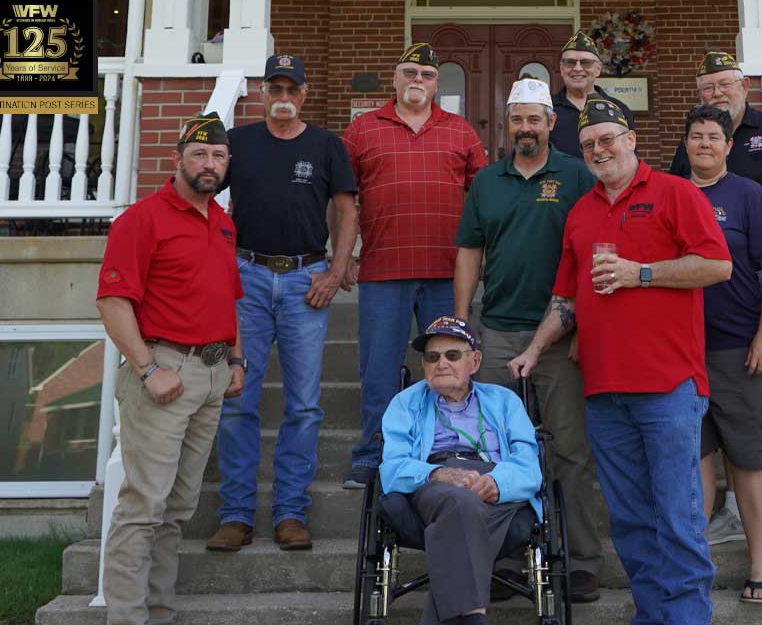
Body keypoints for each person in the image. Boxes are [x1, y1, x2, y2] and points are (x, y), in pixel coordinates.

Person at [510, 96, 732, 624]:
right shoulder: (582, 212)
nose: (597, 149)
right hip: (603, 390)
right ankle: (653, 615)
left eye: (607, 139)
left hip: (668, 385)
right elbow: (567, 299)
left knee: (677, 515)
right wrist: (535, 349)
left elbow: (718, 265)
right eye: (588, 144)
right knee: (630, 519)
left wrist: (643, 273)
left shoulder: (674, 193)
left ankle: (686, 618)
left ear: (632, 139)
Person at [453, 78, 601, 602]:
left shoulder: (578, 176)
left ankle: (581, 560)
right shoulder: (488, 182)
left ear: (551, 123)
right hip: (495, 330)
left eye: (534, 119)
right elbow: (470, 251)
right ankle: (506, 555)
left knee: (570, 448)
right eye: (516, 119)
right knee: (494, 448)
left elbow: (592, 254)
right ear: (507, 122)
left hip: (561, 333)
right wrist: (461, 320)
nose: (525, 128)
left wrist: (587, 328)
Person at [669, 50, 762, 549]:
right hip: (705, 302)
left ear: (744, 85)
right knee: (719, 411)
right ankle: (733, 509)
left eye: (724, 83)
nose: (716, 93)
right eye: (706, 86)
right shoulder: (690, 146)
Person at [206, 54, 358, 553]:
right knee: (238, 401)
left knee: (305, 406)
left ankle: (292, 512)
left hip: (304, 280)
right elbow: (203, 195)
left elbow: (345, 208)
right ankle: (235, 515)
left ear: (305, 94)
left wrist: (336, 270)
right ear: (264, 92)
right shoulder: (239, 142)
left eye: (292, 90)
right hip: (245, 279)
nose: (284, 99)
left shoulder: (326, 145)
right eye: (275, 89)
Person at [97, 113, 245, 625]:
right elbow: (114, 301)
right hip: (162, 369)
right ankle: (126, 618)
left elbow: (229, 297)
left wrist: (236, 360)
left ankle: (157, 612)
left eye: (219, 156)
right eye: (200, 154)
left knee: (177, 509)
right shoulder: (142, 219)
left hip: (210, 372)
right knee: (143, 505)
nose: (210, 164)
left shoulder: (223, 221)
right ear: (177, 158)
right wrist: (145, 369)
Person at [342, 42, 488, 489]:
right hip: (383, 268)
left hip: (445, 273)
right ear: (395, 79)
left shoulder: (461, 130)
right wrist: (343, 254)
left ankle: (439, 448)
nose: (416, 82)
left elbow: (484, 199)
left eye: (425, 75)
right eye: (409, 73)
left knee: (448, 365)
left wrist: (481, 259)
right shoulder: (362, 130)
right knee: (379, 368)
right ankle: (374, 454)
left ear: (435, 84)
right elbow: (344, 200)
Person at [684, 104, 762, 604]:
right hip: (680, 351)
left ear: (728, 146)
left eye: (713, 137)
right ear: (686, 144)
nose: (704, 143)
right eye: (697, 136)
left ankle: (760, 565)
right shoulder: (671, 193)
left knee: (746, 460)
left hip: (737, 348)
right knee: (696, 459)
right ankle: (694, 565)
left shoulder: (749, 195)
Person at [380, 316, 542, 625]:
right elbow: (393, 468)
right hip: (435, 485)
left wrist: (499, 481)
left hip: (496, 488)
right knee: (460, 502)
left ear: (475, 361)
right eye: (432, 357)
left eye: (452, 355)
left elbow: (529, 466)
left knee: (465, 508)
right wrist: (436, 474)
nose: (441, 363)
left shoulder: (505, 401)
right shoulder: (405, 404)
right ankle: (472, 616)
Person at [550, 30, 635, 158]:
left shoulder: (619, 110)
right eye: (570, 62)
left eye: (586, 63)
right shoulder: (546, 109)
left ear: (598, 69)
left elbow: (630, 158)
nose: (578, 68)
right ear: (562, 69)